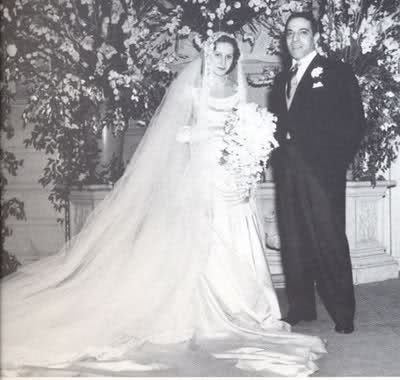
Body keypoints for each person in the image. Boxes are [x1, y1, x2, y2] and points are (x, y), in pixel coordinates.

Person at [1, 32, 326, 377]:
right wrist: (198, 141)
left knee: (236, 234)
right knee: (202, 237)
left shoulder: (237, 89)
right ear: (207, 54)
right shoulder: (192, 90)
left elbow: (244, 127)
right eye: (218, 54)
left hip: (230, 174)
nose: (223, 62)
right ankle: (202, 307)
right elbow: (177, 135)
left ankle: (243, 307)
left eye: (229, 56)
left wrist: (245, 163)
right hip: (201, 172)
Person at [270, 12, 366, 334]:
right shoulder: (283, 80)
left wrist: (332, 166)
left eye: (303, 33)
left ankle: (343, 313)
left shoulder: (337, 72)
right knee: (294, 240)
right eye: (290, 34)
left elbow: (354, 124)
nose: (295, 40)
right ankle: (300, 307)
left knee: (329, 240)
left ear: (316, 37)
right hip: (289, 175)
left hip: (321, 175)